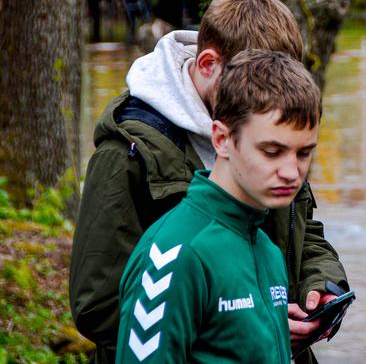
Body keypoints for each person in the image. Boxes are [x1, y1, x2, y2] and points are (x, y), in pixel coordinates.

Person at [71, 0, 347, 363]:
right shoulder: (128, 152)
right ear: (207, 64)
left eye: (302, 153)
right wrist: (249, 324)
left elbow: (300, 231)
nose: (267, 93)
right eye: (249, 75)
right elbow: (96, 304)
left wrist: (322, 286)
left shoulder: (277, 144)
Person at [115, 50, 321, 363]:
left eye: (304, 153)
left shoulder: (267, 249)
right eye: (271, 151)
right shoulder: (175, 255)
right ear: (222, 139)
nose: (292, 172)